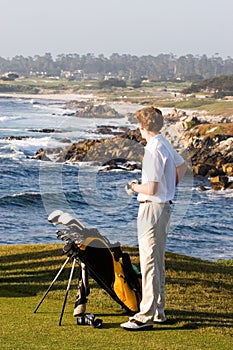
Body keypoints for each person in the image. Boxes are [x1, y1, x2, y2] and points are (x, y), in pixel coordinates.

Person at [121, 106, 187, 331]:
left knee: (149, 261)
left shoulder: (152, 148)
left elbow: (151, 187)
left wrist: (133, 187)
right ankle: (158, 310)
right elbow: (182, 165)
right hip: (163, 207)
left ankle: (145, 315)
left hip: (151, 208)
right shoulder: (164, 143)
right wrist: (172, 186)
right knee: (156, 261)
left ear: (142, 125)